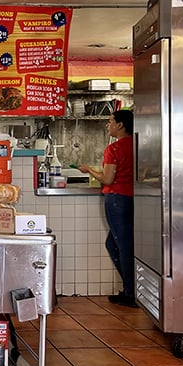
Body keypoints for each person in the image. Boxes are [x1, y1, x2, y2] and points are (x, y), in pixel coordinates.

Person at [79, 109, 136, 307]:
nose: (108, 125)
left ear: (120, 125)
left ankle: (132, 293)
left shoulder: (114, 149)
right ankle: (132, 289)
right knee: (116, 244)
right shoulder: (139, 146)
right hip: (135, 199)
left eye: (110, 121)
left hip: (117, 199)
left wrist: (89, 170)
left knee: (123, 247)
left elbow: (107, 178)